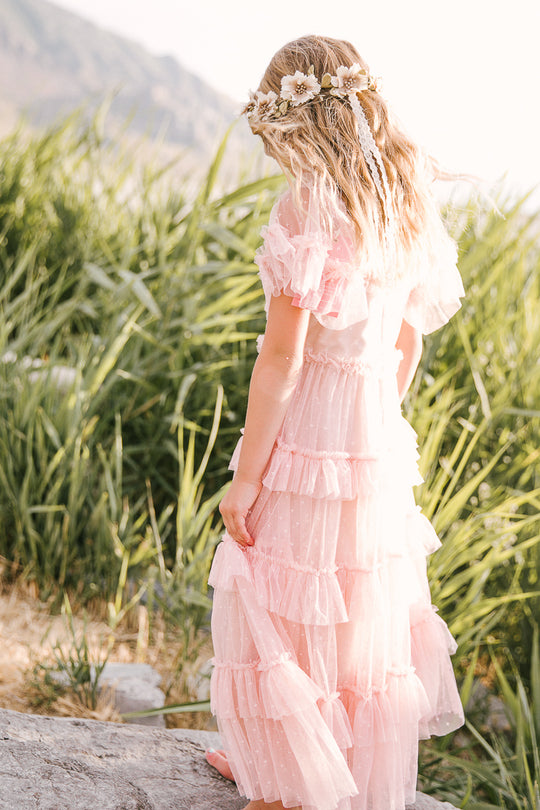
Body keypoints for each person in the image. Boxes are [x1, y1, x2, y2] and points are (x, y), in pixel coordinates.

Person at [205, 34, 466, 810]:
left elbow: (281, 362)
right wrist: (377, 416)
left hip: (314, 423)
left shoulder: (308, 203)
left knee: (274, 585)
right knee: (357, 606)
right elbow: (408, 338)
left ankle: (287, 778)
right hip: (375, 431)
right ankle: (318, 769)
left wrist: (245, 480)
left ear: (298, 124)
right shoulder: (403, 193)